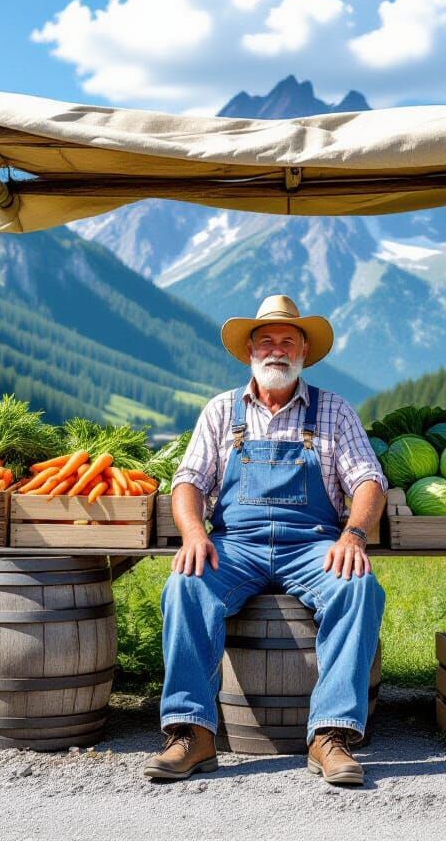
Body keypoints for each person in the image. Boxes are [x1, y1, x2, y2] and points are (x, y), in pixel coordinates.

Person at [143, 295, 387, 786]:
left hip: (312, 543)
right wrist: (193, 533)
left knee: (358, 585)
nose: (277, 349)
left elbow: (368, 480)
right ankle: (192, 733)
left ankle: (330, 736)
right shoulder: (221, 411)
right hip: (237, 544)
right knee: (186, 584)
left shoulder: (334, 410)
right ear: (251, 350)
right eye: (267, 340)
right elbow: (188, 481)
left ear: (303, 351)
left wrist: (354, 535)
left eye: (288, 340)